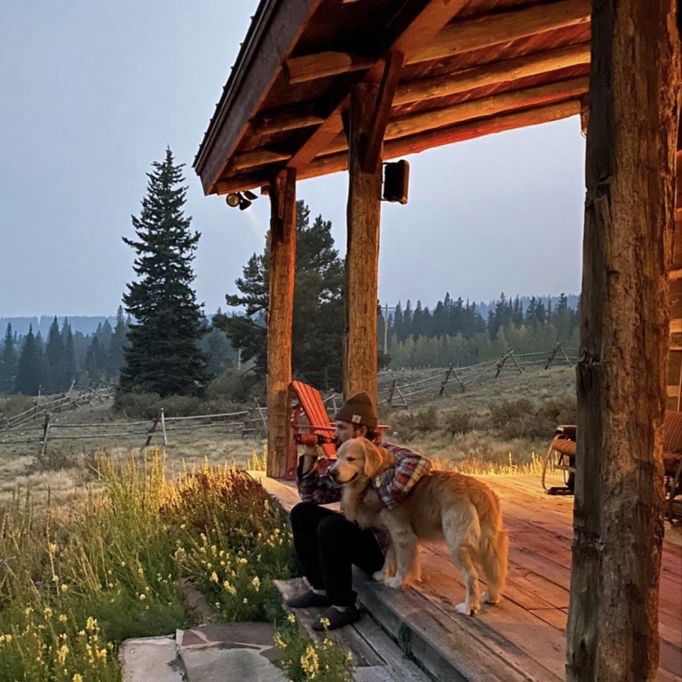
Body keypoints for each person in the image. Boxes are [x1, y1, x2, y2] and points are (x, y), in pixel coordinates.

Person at [286, 392, 431, 630]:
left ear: (361, 431)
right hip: (361, 534)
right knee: (302, 512)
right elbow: (314, 496)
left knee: (332, 527)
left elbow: (420, 462)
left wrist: (383, 494)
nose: (336, 434)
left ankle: (344, 606)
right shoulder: (347, 457)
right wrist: (310, 458)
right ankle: (321, 589)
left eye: (342, 427)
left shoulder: (384, 452)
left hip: (383, 547)